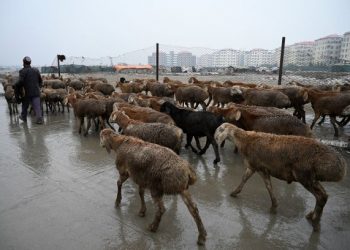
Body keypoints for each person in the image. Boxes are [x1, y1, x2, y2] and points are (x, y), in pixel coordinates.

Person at [14, 56, 44, 124]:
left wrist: (16, 87)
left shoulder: (22, 71)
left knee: (25, 104)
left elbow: (20, 82)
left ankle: (23, 117)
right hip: (36, 91)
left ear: (23, 63)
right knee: (37, 106)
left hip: (27, 92)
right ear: (30, 63)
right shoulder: (36, 70)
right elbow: (40, 81)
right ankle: (39, 119)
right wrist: (38, 87)